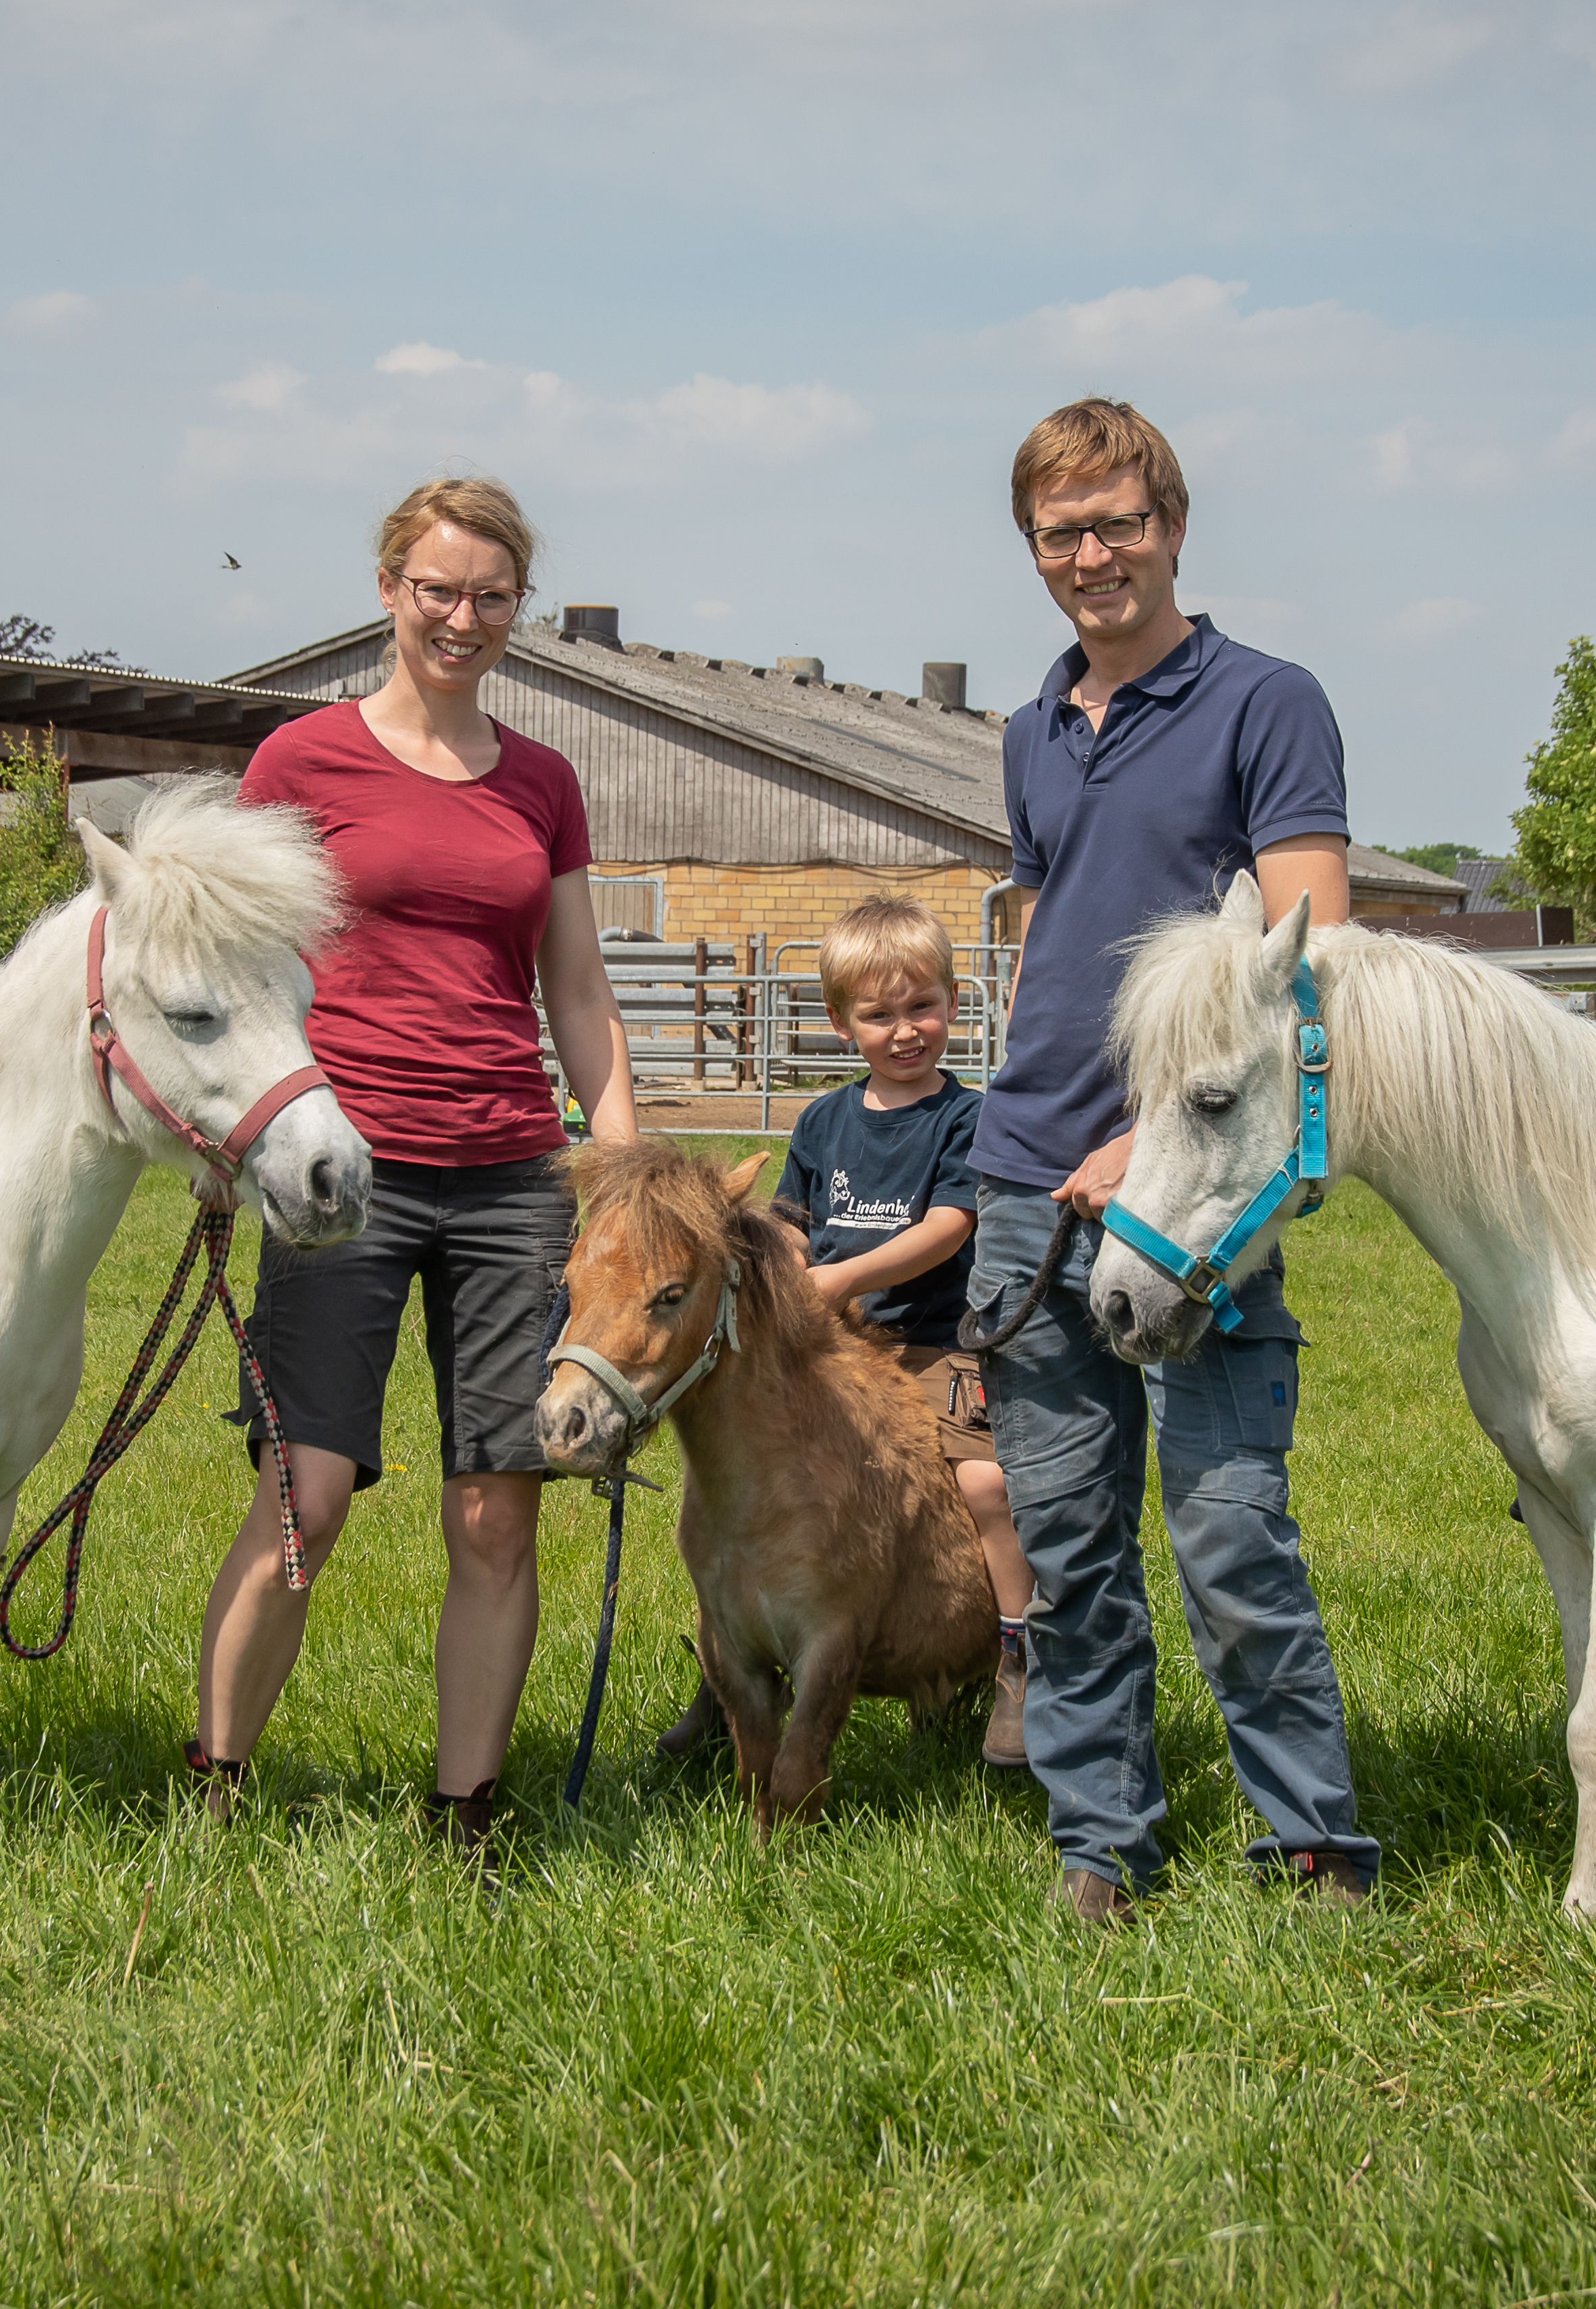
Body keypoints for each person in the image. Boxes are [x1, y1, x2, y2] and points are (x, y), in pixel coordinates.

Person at [965, 396, 1381, 1927]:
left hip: (1186, 1180)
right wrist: (1020, 1124)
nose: (1091, 555)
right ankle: (1102, 1845)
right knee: (1067, 1544)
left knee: (1226, 1531)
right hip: (1024, 1181)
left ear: (1173, 524)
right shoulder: (1026, 731)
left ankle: (1310, 1845)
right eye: (1059, 532)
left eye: (1115, 522)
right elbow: (1050, 944)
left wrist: (1151, 1133)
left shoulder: (1265, 702)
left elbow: (1310, 949)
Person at [192, 475, 640, 1855]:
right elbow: (228, 960)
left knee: (496, 1509)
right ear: (389, 590)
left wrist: (619, 1172)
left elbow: (577, 991)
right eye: (436, 589)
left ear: (519, 608)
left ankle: (466, 1814)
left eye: (489, 596)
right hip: (341, 1171)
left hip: (511, 1173)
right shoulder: (300, 763)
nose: (461, 617)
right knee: (302, 1497)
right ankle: (213, 1786)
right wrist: (225, 1136)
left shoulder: (542, 782)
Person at [654, 892, 1038, 1768]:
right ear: (839, 1022)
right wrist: (782, 1256)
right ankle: (731, 1676)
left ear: (952, 998)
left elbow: (950, 1227)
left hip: (939, 1339)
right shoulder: (825, 1120)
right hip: (829, 1345)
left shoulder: (965, 1117)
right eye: (879, 1014)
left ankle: (1019, 1652)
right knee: (746, 1485)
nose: (905, 1031)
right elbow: (793, 1219)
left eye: (923, 1006)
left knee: (985, 1481)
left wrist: (840, 1277)